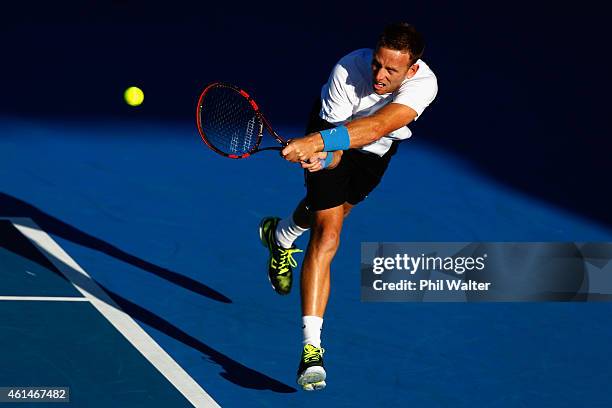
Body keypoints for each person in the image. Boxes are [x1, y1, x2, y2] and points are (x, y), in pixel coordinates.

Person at [259, 22, 438, 391]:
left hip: (376, 150)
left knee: (337, 211)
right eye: (376, 64)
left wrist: (317, 150)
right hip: (329, 130)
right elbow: (336, 148)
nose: (379, 75)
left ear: (412, 69)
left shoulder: (425, 85)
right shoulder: (347, 70)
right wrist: (320, 152)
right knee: (329, 234)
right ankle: (312, 349)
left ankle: (281, 235)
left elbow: (377, 129)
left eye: (391, 70)